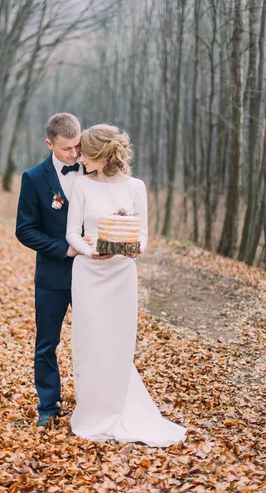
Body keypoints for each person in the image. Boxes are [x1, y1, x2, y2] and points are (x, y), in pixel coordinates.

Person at [66, 124, 187, 446]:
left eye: (85, 153)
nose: (79, 158)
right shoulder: (80, 185)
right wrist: (89, 250)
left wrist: (138, 248)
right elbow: (71, 233)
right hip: (89, 273)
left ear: (101, 154)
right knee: (89, 342)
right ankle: (91, 411)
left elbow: (144, 233)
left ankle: (120, 408)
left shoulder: (136, 187)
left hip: (122, 274)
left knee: (117, 343)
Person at [16, 113, 92, 428]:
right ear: (50, 144)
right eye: (66, 150)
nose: (75, 155)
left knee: (94, 340)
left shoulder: (94, 172)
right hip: (52, 277)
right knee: (47, 343)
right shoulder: (34, 178)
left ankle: (95, 403)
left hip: (92, 274)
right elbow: (25, 230)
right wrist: (64, 248)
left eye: (77, 147)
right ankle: (48, 406)